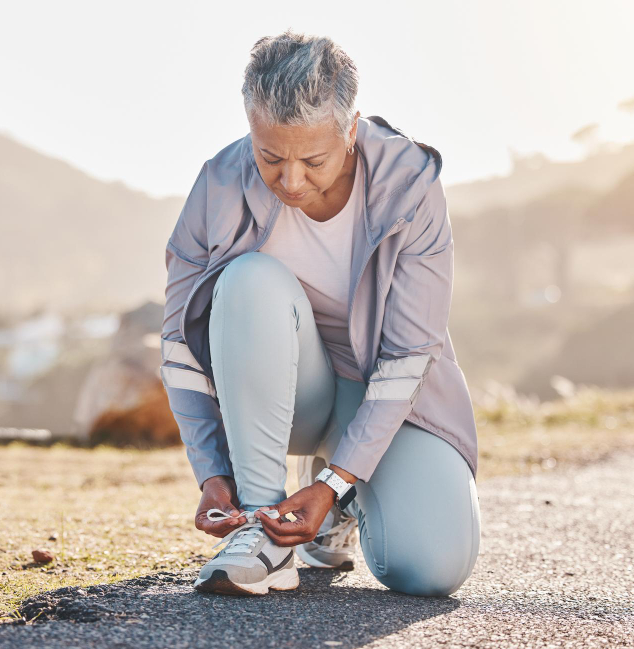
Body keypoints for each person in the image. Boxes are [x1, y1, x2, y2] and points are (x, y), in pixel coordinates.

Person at [159, 31, 481, 598]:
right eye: (269, 156)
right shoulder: (216, 184)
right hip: (286, 398)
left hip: (384, 392)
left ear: (350, 129)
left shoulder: (410, 185)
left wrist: (335, 482)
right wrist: (212, 472)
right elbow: (180, 346)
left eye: (313, 160)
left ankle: (337, 499)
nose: (290, 182)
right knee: (248, 279)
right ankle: (263, 534)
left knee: (431, 569)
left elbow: (410, 355)